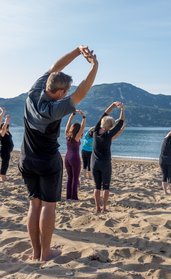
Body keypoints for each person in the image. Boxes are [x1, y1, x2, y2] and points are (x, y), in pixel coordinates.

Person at [18, 45, 98, 261]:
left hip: (26, 158)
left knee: (34, 205)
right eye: (65, 92)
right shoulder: (54, 109)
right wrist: (94, 66)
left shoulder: (33, 92)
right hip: (47, 162)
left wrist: (76, 51)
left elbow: (55, 67)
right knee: (48, 206)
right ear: (61, 92)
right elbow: (82, 91)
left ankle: (35, 252)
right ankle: (45, 253)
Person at [91, 101, 125, 213]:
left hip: (95, 163)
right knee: (106, 187)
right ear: (110, 126)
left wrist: (113, 104)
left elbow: (105, 113)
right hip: (105, 163)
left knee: (97, 187)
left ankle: (97, 207)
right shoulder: (109, 134)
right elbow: (121, 122)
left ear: (101, 122)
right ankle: (104, 207)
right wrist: (122, 109)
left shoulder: (95, 131)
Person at [65, 110, 86, 200]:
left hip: (67, 158)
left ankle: (68, 196)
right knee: (75, 178)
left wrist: (72, 115)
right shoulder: (76, 137)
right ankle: (74, 197)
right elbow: (82, 128)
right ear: (78, 130)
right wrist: (84, 117)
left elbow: (67, 124)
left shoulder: (67, 135)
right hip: (75, 158)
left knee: (70, 177)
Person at [0, 114, 14, 181]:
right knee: (5, 163)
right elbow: (3, 128)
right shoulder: (2, 133)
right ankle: (3, 177)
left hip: (7, 150)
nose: (8, 128)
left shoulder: (7, 132)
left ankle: (3, 175)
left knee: (6, 162)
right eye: (7, 127)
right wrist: (6, 120)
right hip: (4, 150)